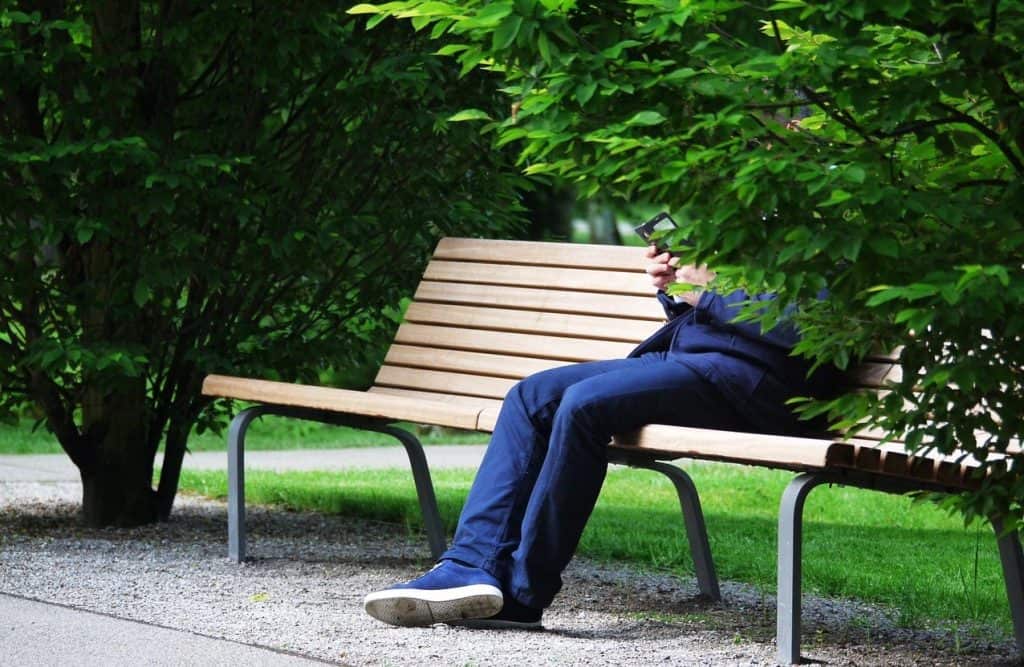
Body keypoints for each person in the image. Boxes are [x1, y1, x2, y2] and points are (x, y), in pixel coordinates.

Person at [363, 243, 835, 629]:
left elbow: (813, 328)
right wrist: (675, 287)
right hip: (688, 361)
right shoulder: (755, 217)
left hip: (755, 384)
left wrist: (706, 293)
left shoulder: (844, 228)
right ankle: (470, 566)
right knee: (531, 396)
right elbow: (715, 308)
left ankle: (524, 595)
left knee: (584, 406)